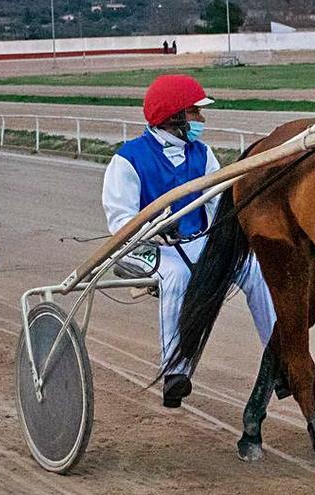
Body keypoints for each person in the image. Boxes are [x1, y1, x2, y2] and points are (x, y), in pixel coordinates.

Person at [102, 74, 276, 408]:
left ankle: (280, 358)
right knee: (178, 276)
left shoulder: (202, 153)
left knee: (252, 267)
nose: (202, 120)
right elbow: (120, 220)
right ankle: (175, 371)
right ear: (175, 116)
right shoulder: (128, 159)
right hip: (145, 247)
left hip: (194, 241)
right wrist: (152, 231)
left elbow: (218, 204)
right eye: (196, 113)